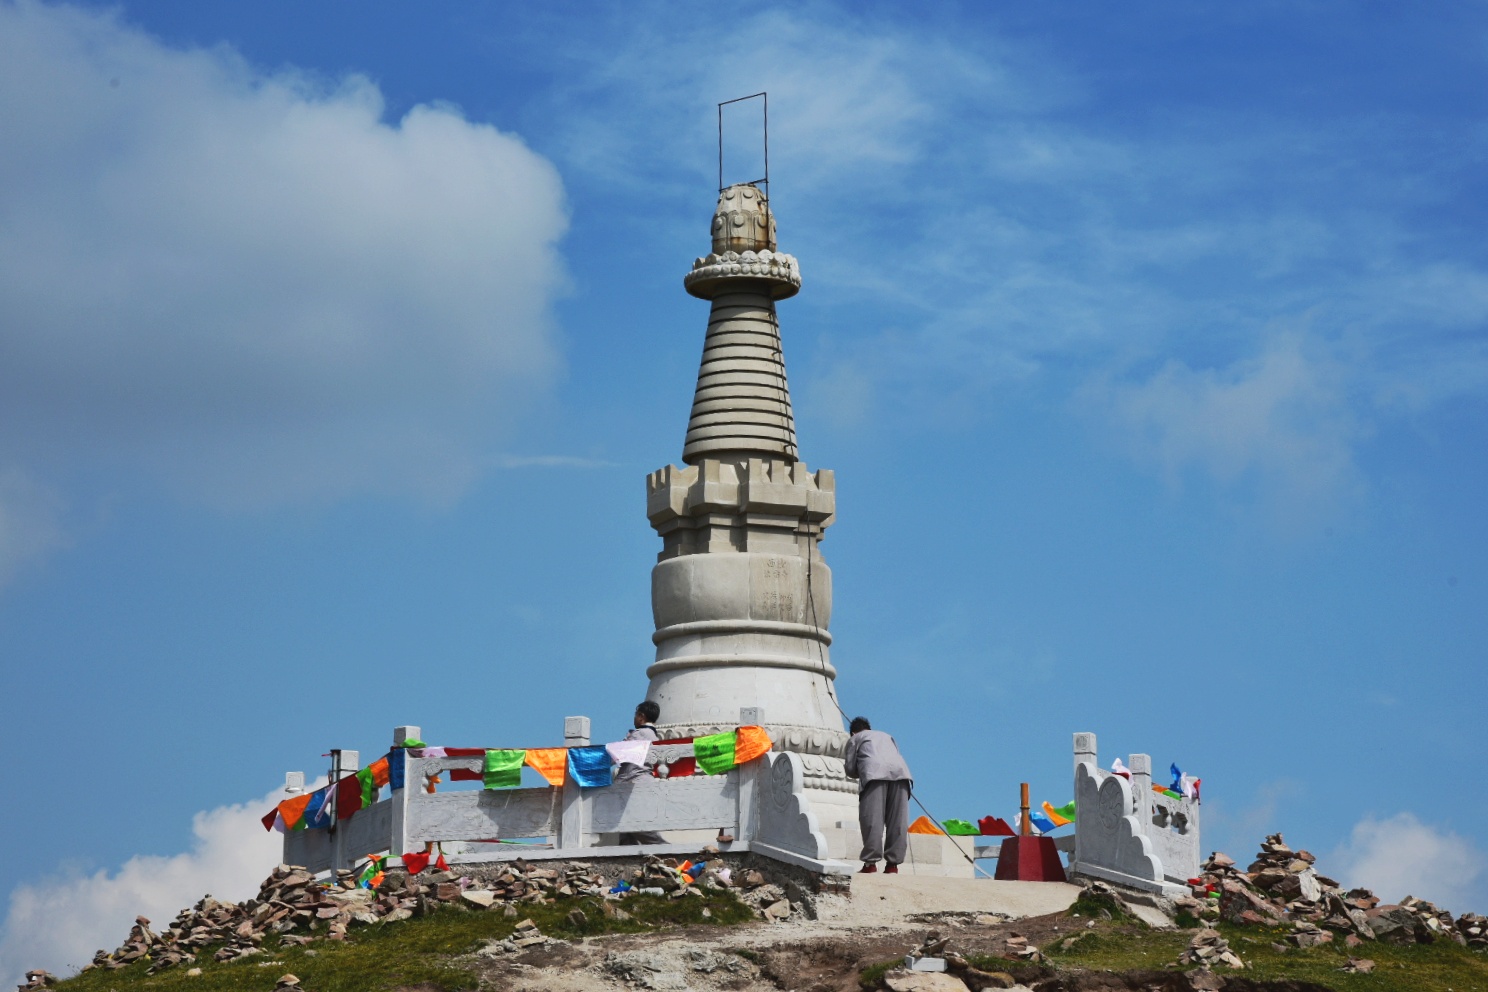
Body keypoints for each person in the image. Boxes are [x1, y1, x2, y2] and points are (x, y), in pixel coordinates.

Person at [844, 716, 912, 874]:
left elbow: (850, 769)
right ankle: (892, 865)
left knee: (872, 819)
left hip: (874, 774)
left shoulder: (856, 738)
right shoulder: (887, 736)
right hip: (901, 775)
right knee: (897, 821)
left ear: (853, 732)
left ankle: (870, 864)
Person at [617, 701, 665, 846]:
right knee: (625, 822)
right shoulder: (654, 736)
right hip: (644, 780)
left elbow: (621, 752)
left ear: (641, 716)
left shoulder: (638, 734)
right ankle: (626, 852)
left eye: (636, 715)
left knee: (633, 822)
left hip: (633, 781)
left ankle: (663, 848)